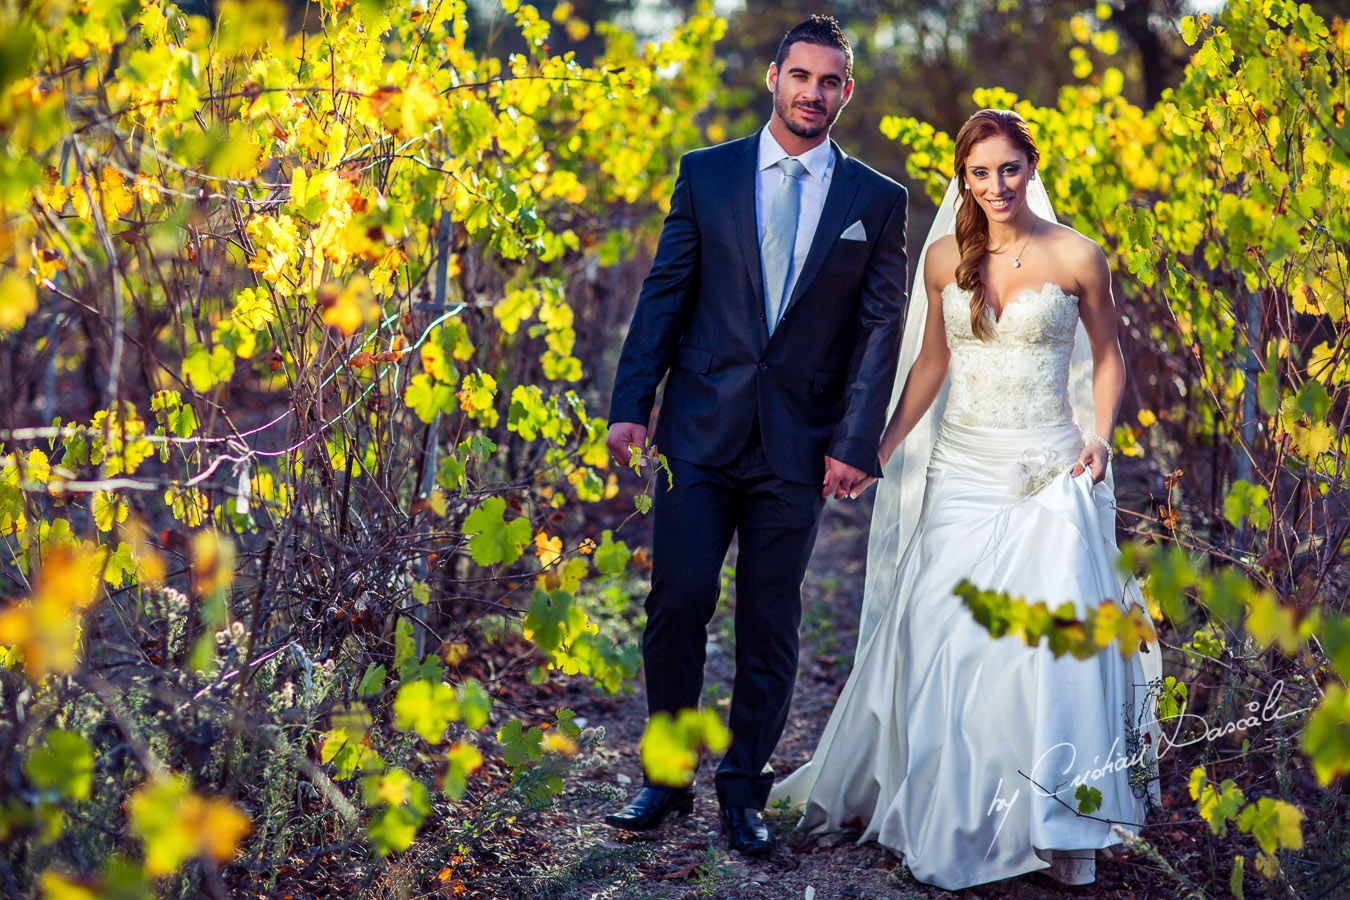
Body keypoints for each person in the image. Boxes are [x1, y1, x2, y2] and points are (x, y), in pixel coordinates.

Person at [768, 109, 1162, 888]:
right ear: (963, 177)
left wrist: (1100, 434)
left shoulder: (1080, 256)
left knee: (1048, 650)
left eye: (1008, 169)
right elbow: (930, 365)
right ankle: (957, 815)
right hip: (962, 469)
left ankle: (1056, 828)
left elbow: (1110, 356)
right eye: (979, 173)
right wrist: (874, 450)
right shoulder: (945, 257)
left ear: (1030, 166)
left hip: (1049, 468)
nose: (995, 185)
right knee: (942, 632)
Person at [602, 16, 909, 857]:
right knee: (678, 603)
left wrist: (856, 442)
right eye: (801, 75)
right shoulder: (708, 175)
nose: (814, 93)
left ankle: (744, 788)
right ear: (773, 77)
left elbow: (882, 329)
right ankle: (665, 779)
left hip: (801, 446)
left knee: (771, 624)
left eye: (831, 81)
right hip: (699, 430)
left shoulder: (876, 202)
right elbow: (665, 291)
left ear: (847, 91)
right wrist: (633, 401)